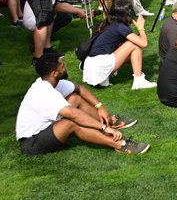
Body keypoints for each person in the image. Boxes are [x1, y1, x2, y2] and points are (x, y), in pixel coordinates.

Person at [15, 52, 148, 155]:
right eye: (62, 65)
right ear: (54, 73)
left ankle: (110, 121)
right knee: (70, 123)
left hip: (47, 129)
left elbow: (79, 89)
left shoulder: (53, 82)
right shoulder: (43, 91)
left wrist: (100, 106)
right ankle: (121, 145)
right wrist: (102, 128)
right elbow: (72, 114)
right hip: (31, 142)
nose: (65, 67)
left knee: (75, 98)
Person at [79, 0, 154, 90]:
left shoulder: (108, 22)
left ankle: (106, 79)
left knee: (133, 45)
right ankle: (138, 81)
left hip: (91, 65)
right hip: (99, 65)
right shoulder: (120, 27)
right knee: (134, 45)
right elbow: (144, 43)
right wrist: (141, 28)